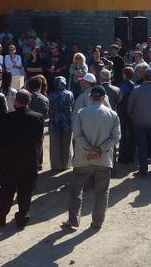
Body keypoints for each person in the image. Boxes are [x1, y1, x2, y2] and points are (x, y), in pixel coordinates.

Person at [61, 86, 121, 230]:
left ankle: (74, 220)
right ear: (103, 97)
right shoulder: (112, 115)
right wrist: (100, 149)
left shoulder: (82, 113)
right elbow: (116, 137)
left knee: (76, 190)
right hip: (103, 159)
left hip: (83, 158)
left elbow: (77, 135)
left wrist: (89, 148)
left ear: (90, 97)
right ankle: (97, 223)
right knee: (102, 193)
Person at [0, 89, 44, 229]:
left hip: (10, 160)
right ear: (29, 102)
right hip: (30, 160)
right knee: (26, 192)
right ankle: (22, 219)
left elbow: (0, 140)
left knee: (6, 191)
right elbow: (39, 139)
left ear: (15, 101)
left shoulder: (7, 118)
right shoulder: (38, 117)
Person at [128, 68, 151, 177]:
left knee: (142, 147)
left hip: (139, 123)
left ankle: (143, 171)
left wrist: (133, 116)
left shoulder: (136, 90)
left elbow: (129, 107)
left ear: (144, 77)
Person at [48, 76, 75, 171]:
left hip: (54, 121)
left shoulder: (51, 95)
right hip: (67, 120)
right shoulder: (70, 94)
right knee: (66, 143)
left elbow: (49, 108)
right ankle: (66, 164)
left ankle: (56, 165)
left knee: (55, 144)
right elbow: (72, 105)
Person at [117, 67, 136, 164]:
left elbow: (120, 98)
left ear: (125, 74)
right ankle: (131, 156)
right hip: (131, 112)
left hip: (123, 111)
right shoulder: (133, 84)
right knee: (131, 135)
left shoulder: (124, 85)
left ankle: (123, 157)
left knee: (124, 135)